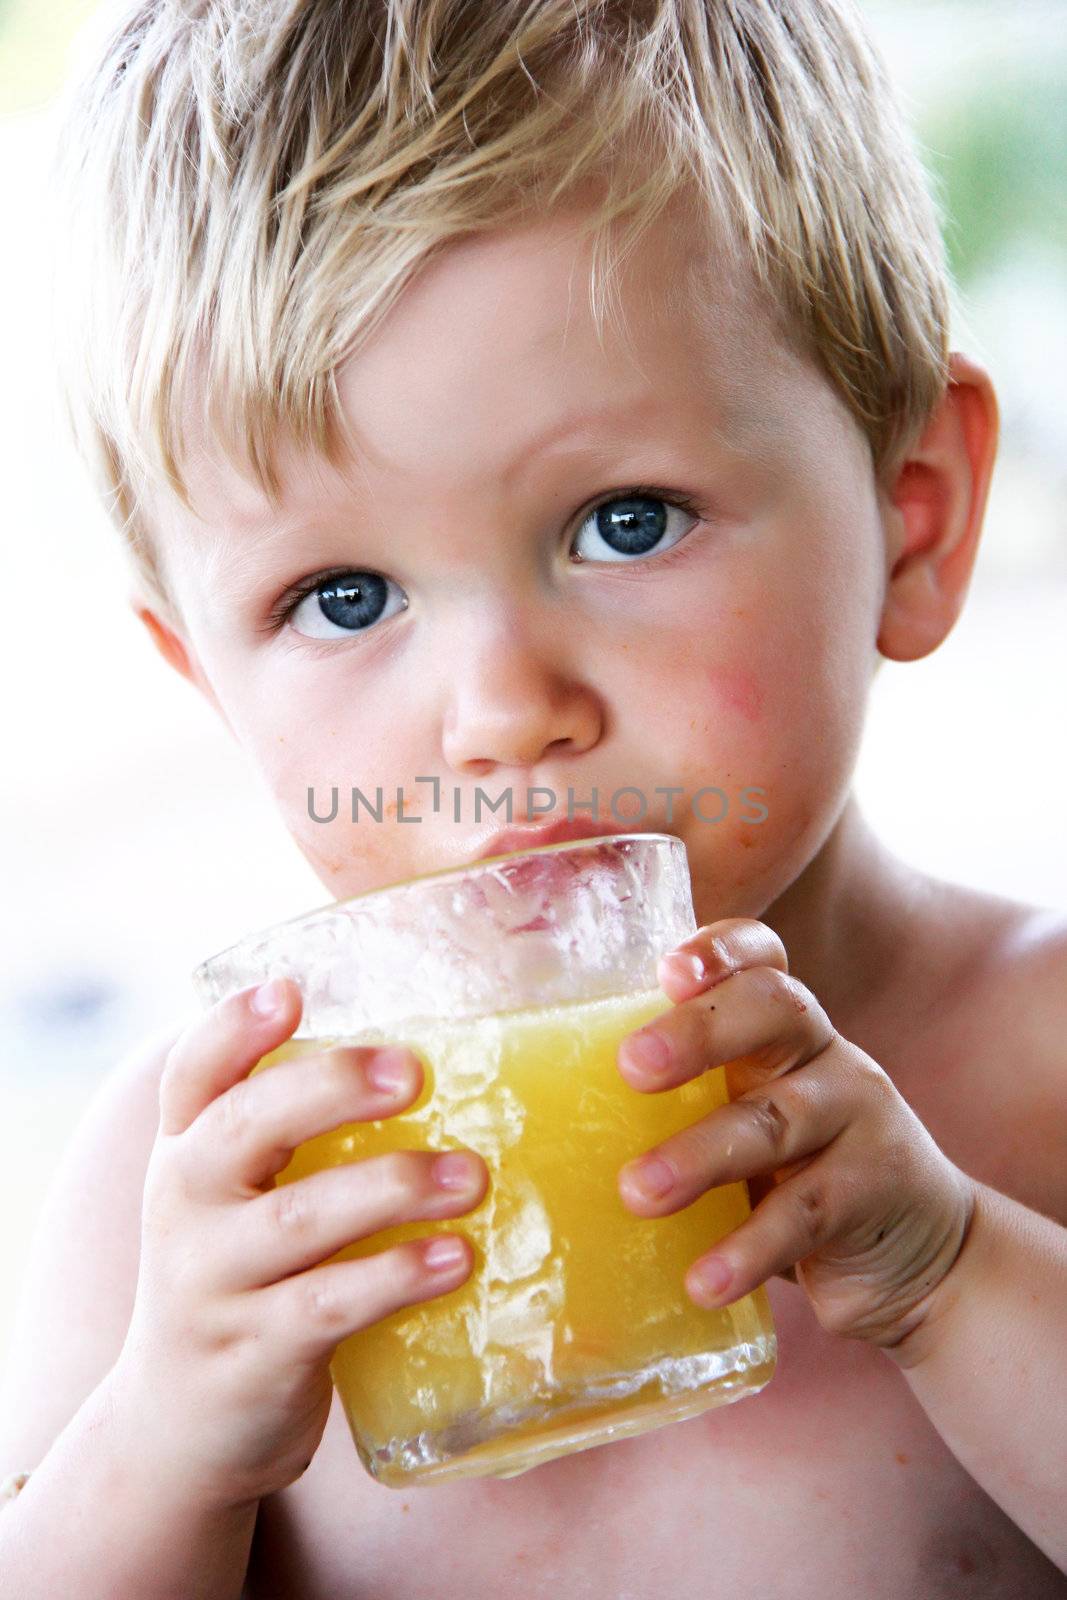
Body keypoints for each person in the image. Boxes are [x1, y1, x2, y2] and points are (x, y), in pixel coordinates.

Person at [1, 0, 1065, 1594]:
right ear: (209, 684)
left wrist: (951, 1273)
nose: (502, 716)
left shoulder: (1044, 1057)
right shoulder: (202, 1195)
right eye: (345, 600)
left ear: (912, 523)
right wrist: (164, 1438)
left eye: (627, 522)